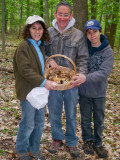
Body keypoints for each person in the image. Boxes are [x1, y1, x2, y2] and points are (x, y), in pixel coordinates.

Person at [44, 0, 89, 158]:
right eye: (60, 14)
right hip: (52, 82)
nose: (63, 18)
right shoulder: (47, 32)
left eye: (66, 15)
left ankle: (71, 142)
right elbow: (39, 51)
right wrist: (47, 59)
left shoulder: (78, 35)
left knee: (70, 113)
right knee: (54, 112)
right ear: (55, 15)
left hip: (71, 84)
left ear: (71, 16)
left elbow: (83, 58)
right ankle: (57, 138)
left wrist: (81, 75)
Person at [13, 15, 56, 160]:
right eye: (34, 28)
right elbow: (25, 70)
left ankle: (34, 149)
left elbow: (39, 66)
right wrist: (44, 82)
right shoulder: (23, 47)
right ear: (28, 30)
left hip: (40, 92)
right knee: (28, 123)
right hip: (28, 92)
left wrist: (49, 65)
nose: (37, 31)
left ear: (43, 31)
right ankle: (21, 150)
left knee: (39, 123)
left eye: (40, 28)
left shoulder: (40, 46)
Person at [73, 19, 114, 158]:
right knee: (85, 119)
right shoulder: (84, 47)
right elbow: (77, 63)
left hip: (99, 93)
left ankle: (98, 143)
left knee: (98, 120)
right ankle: (87, 141)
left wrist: (86, 77)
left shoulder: (108, 51)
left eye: (95, 32)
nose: (92, 35)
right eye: (89, 33)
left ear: (100, 31)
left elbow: (104, 73)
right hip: (84, 92)